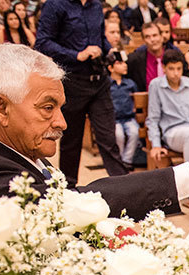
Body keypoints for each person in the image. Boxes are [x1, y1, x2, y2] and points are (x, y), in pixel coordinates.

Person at [0, 45, 189, 217]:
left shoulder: (26, 158)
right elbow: (77, 205)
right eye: (47, 107)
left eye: (60, 108)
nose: (62, 123)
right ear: (1, 108)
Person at [35, 0, 128, 183]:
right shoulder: (55, 5)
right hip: (72, 82)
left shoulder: (95, 5)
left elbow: (100, 38)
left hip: (99, 81)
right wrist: (77, 54)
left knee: (108, 139)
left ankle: (125, 187)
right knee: (71, 141)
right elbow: (43, 42)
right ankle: (68, 189)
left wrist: (111, 52)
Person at [145, 49, 189, 203]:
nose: (175, 73)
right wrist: (155, 144)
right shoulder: (156, 85)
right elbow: (153, 118)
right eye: (171, 69)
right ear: (164, 68)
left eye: (178, 69)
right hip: (172, 132)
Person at [127, 22, 189, 93]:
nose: (152, 40)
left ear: (161, 37)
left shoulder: (176, 55)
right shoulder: (134, 60)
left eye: (155, 35)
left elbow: (187, 78)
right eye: (147, 37)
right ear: (144, 40)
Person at [106, 51, 138, 171]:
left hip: (129, 117)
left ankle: (126, 160)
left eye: (125, 63)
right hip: (114, 120)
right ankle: (118, 160)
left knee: (134, 133)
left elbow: (136, 97)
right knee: (118, 135)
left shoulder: (130, 83)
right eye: (119, 63)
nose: (124, 65)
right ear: (110, 68)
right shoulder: (107, 85)